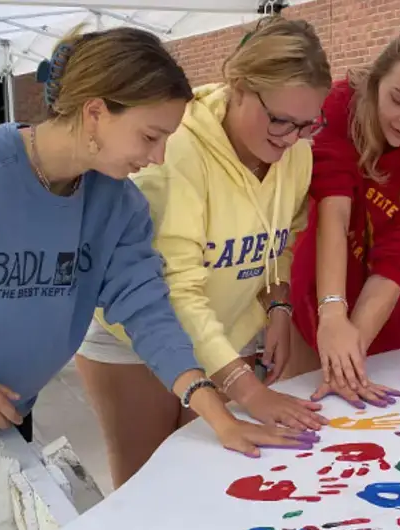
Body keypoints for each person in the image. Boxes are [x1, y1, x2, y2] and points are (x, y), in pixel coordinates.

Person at [0, 27, 311, 530]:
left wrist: (216, 411)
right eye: (150, 136)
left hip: (2, 414)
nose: (160, 157)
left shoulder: (117, 203)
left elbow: (147, 310)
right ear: (95, 112)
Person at [73, 15, 335, 489]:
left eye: (306, 124)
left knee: (209, 482)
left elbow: (287, 234)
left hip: (225, 336)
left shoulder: (297, 152)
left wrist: (277, 304)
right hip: (138, 342)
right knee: (146, 488)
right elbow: (176, 291)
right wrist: (247, 390)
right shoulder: (174, 152)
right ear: (240, 86)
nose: (289, 138)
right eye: (279, 119)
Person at [283, 22, 400, 407]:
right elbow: (333, 209)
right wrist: (332, 313)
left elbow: (398, 263)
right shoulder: (339, 106)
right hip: (309, 301)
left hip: (381, 326)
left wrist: (350, 353)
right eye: (398, 100)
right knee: (299, 406)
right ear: (377, 78)